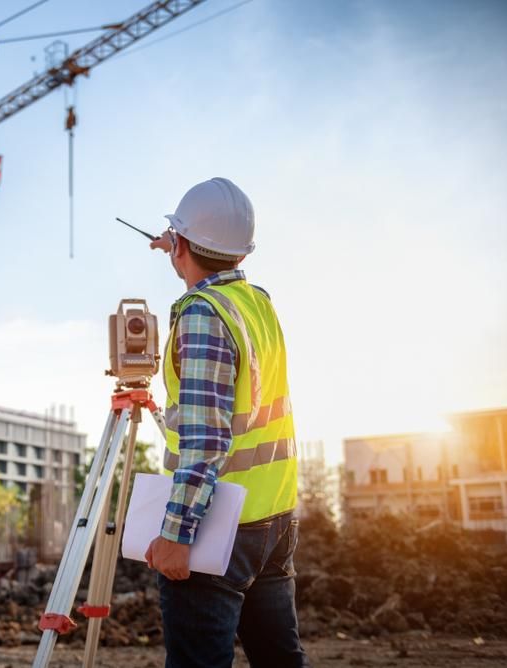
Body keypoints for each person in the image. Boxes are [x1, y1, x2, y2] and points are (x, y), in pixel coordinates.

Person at [144, 178, 309, 667]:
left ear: (183, 245)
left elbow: (206, 438)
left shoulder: (201, 315)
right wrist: (182, 246)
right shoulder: (257, 303)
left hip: (218, 527)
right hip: (273, 518)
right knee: (280, 659)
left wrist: (175, 535)